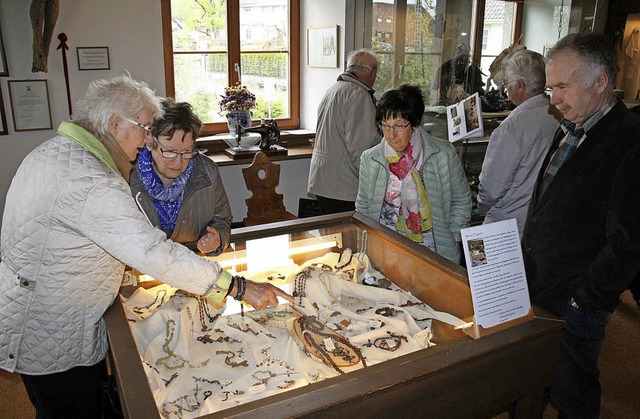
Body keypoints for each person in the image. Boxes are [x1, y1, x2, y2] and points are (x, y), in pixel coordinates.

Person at [0, 75, 291, 418]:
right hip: (53, 328)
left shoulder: (56, 152)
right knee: (71, 408)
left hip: (44, 314)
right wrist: (238, 286)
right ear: (113, 123)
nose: (149, 138)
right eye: (145, 127)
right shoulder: (92, 181)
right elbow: (153, 252)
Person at [521, 33, 640, 417]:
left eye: (561, 87)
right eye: (550, 87)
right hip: (538, 285)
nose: (552, 99)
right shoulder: (573, 123)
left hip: (575, 300)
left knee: (573, 392)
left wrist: (584, 298)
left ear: (600, 83)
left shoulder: (631, 141)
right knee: (531, 377)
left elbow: (629, 243)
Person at [356, 84, 471, 264]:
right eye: (385, 126)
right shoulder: (370, 159)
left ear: (415, 124)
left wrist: (452, 236)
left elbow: (461, 200)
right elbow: (363, 205)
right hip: (386, 248)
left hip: (434, 250)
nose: (391, 135)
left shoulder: (443, 154)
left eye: (399, 126)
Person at [130, 98, 232, 255]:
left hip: (192, 262)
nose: (178, 162)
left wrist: (217, 237)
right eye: (170, 151)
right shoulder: (129, 175)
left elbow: (222, 219)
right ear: (150, 143)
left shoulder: (207, 171)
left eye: (186, 152)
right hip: (146, 264)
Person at [477, 49, 560, 236]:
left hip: (506, 224)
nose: (506, 89)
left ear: (521, 85)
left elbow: (491, 189)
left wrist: (481, 208)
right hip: (539, 221)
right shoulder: (559, 114)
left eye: (507, 83)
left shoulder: (511, 128)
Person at [308, 48, 381, 215]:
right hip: (343, 185)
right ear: (373, 72)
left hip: (323, 181)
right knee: (349, 238)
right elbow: (361, 147)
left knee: (332, 237)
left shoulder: (333, 89)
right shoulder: (359, 95)